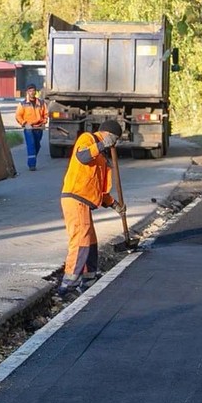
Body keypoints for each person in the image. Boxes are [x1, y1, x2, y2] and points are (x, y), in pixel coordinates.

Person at [57, 119, 127, 297]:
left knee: (91, 242)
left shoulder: (102, 158)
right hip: (75, 198)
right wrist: (102, 144)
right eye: (115, 139)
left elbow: (99, 191)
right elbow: (82, 156)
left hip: (84, 202)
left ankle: (88, 280)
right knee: (80, 242)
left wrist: (115, 205)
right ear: (108, 134)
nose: (115, 144)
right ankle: (68, 287)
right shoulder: (87, 139)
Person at [15, 84, 47, 171]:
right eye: (30, 91)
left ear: (35, 92)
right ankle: (32, 165)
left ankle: (32, 158)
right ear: (27, 92)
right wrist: (24, 123)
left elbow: (45, 114)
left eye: (33, 91)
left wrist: (44, 123)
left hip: (38, 128)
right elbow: (18, 115)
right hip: (28, 128)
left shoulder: (41, 103)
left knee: (37, 145)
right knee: (31, 145)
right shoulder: (23, 104)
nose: (32, 92)